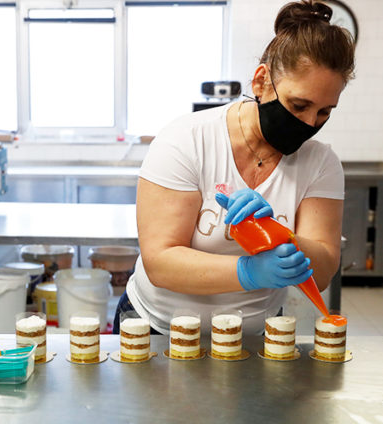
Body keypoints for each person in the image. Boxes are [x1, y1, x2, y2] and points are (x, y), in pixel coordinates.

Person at [113, 0, 355, 336]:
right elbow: (161, 263)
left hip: (254, 335)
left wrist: (280, 235)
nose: (310, 123)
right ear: (261, 81)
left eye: (325, 112)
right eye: (299, 105)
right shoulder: (186, 140)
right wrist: (248, 272)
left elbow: (324, 270)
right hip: (158, 328)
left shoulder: (320, 164)